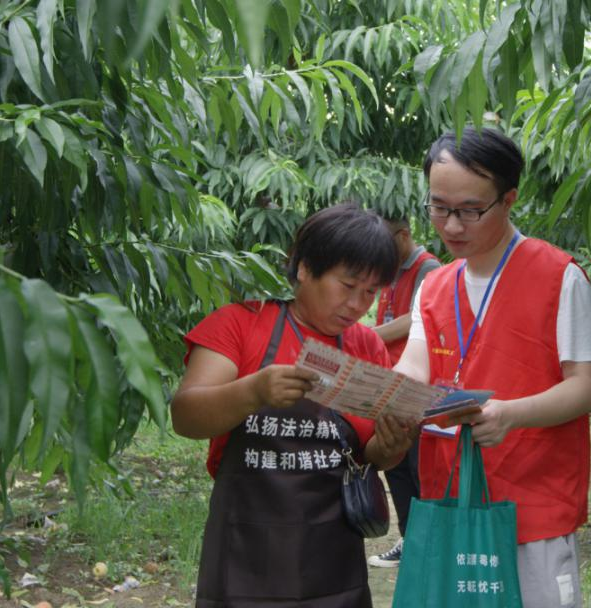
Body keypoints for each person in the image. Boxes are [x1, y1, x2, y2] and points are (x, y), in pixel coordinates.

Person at [392, 127, 591, 608]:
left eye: (470, 210)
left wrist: (510, 414)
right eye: (439, 207)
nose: (451, 226)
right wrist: (381, 393)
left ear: (509, 199)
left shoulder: (559, 277)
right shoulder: (435, 286)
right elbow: (414, 367)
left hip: (532, 504)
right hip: (451, 498)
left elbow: (585, 387)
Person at [171, 203, 415, 607]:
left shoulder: (366, 345)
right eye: (347, 285)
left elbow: (369, 454)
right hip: (245, 551)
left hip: (333, 553)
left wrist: (391, 447)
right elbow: (185, 416)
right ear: (303, 268)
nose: (357, 305)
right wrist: (253, 392)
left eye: (370, 292)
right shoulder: (240, 324)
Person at [367, 216, 441, 568]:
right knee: (394, 464)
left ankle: (429, 542)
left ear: (404, 235)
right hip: (390, 380)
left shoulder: (428, 269)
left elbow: (415, 320)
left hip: (417, 385)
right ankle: (410, 539)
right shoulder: (391, 270)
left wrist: (365, 337)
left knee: (416, 466)